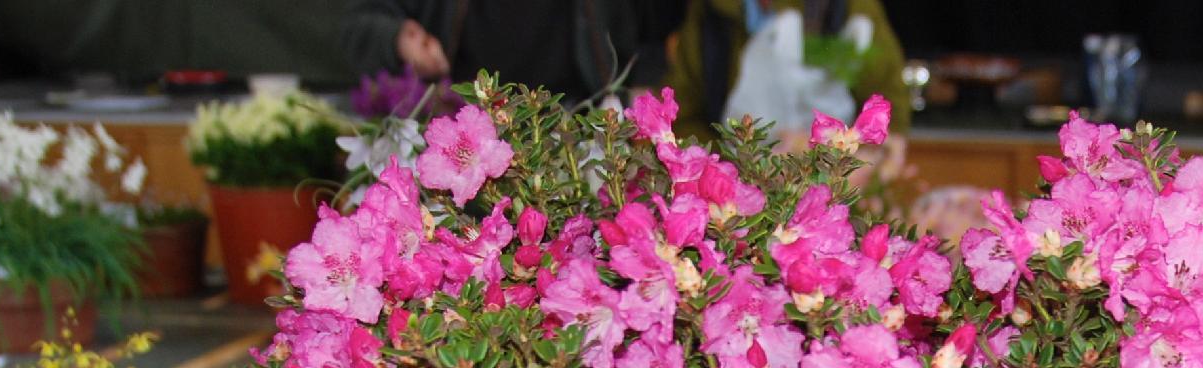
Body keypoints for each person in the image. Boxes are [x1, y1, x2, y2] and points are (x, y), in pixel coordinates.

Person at [666, 0, 909, 145]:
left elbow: (889, 110)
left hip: (831, 198)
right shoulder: (712, 10)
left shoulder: (848, 7)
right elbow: (683, 116)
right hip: (734, 208)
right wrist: (730, 168)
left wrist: (853, 162)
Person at [340, 0, 650, 102]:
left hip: (580, 133)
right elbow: (358, 24)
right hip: (460, 137)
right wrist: (398, 39)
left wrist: (649, 82)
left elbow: (658, 29)